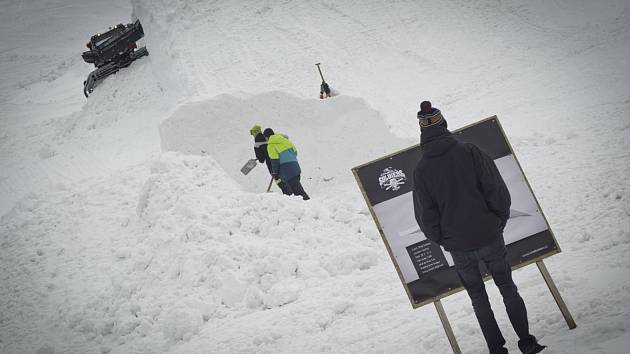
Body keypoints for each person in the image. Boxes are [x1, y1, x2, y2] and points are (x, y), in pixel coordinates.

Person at [412, 101, 545, 354]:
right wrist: (497, 221)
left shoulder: (421, 170)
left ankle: (496, 350)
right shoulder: (469, 151)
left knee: (478, 297)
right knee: (507, 286)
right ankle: (527, 342)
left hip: (458, 246)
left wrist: (444, 240)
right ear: (444, 124)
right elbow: (495, 189)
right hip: (488, 235)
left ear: (422, 132)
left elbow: (426, 217)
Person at [263, 128, 310, 200]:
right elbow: (295, 152)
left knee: (299, 194)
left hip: (288, 171)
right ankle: (305, 207)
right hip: (296, 167)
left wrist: (275, 173)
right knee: (296, 192)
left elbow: (275, 161)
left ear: (266, 137)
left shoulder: (270, 145)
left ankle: (310, 206)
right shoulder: (285, 140)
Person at [250, 124, 292, 195]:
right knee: (288, 180)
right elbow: (286, 137)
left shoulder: (257, 144)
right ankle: (295, 197)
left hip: (272, 165)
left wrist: (260, 156)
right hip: (283, 160)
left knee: (280, 182)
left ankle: (289, 196)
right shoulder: (270, 137)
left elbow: (261, 160)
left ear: (254, 133)